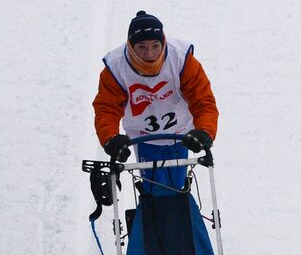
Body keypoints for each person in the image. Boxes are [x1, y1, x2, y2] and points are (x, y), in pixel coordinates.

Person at [93, 10, 219, 193]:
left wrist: (205, 131)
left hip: (181, 134)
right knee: (154, 190)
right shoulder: (116, 68)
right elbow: (107, 108)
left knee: (177, 187)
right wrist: (110, 138)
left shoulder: (182, 59)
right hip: (144, 137)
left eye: (155, 46)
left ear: (163, 43)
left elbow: (203, 100)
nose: (150, 54)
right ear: (131, 46)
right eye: (142, 47)